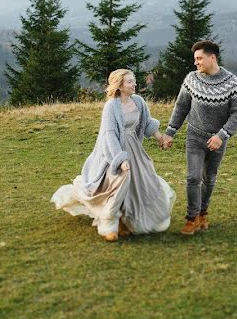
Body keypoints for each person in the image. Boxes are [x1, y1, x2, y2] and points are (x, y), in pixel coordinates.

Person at [51, 69, 175, 242]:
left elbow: (147, 123)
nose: (134, 84)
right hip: (114, 151)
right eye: (130, 82)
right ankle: (110, 225)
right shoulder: (111, 106)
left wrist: (161, 138)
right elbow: (109, 135)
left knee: (140, 183)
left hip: (135, 150)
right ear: (120, 86)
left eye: (134, 81)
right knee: (117, 185)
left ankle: (127, 221)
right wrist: (120, 160)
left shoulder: (138, 101)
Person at [162, 40, 237, 236]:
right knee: (193, 177)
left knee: (209, 179)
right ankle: (191, 218)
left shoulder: (232, 83)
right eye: (195, 59)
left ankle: (202, 213)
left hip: (218, 141)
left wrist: (222, 135)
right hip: (194, 137)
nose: (196, 62)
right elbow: (181, 107)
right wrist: (170, 132)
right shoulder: (192, 79)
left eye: (199, 58)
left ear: (212, 58)